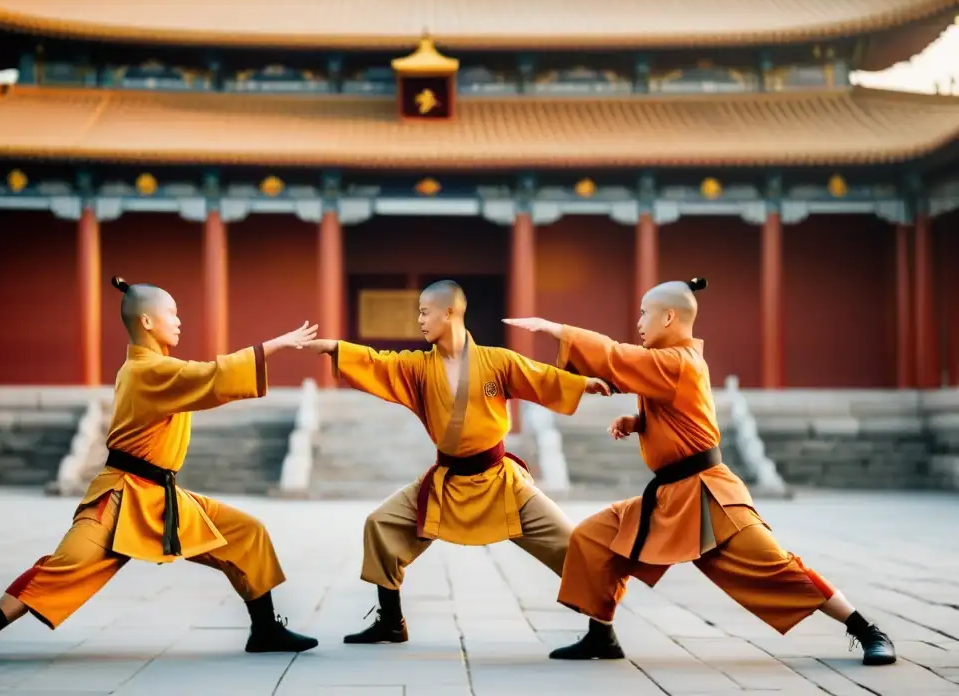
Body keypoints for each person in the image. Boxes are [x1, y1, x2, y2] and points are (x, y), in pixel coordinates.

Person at [503, 278, 897, 666]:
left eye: (645, 314)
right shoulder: (669, 363)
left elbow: (615, 357)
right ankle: (601, 635)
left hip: (709, 496)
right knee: (594, 538)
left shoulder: (677, 361)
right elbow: (674, 409)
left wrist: (557, 330)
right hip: (669, 497)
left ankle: (866, 630)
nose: (638, 322)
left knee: (777, 566)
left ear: (669, 317)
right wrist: (638, 423)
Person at [0, 277, 320, 666]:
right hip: (119, 497)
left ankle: (265, 629)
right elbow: (209, 376)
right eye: (172, 314)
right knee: (67, 564)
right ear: (147, 322)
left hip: (162, 497)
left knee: (246, 532)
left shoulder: (156, 368)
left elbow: (202, 376)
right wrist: (272, 347)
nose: (179, 322)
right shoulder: (148, 371)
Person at [301, 279, 612, 645]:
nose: (418, 320)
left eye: (423, 312)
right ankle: (391, 621)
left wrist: (583, 384)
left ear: (449, 313)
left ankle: (602, 633)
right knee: (381, 525)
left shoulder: (497, 361)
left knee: (571, 543)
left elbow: (538, 376)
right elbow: (377, 363)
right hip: (445, 484)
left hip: (500, 483)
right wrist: (335, 349)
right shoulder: (418, 367)